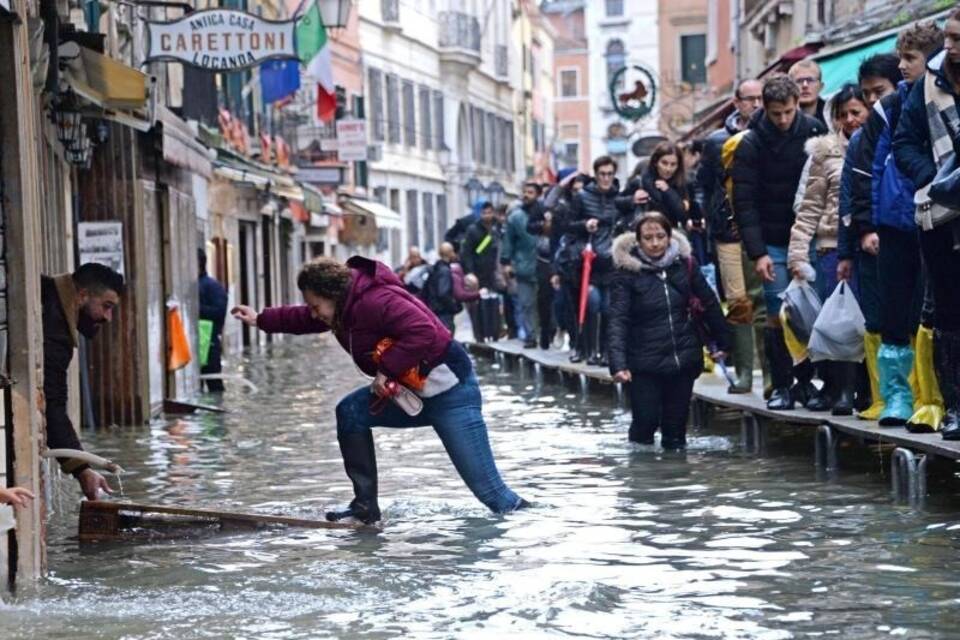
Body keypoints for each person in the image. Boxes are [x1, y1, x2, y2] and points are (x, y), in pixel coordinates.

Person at [232, 257, 528, 522]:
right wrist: (261, 319)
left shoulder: (376, 300)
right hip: (411, 394)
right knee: (350, 412)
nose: (314, 312)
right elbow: (304, 318)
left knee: (493, 496)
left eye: (316, 305)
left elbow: (423, 331)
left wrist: (386, 369)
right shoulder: (342, 310)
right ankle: (365, 507)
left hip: (452, 392)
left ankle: (540, 528)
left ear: (333, 295)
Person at [731, 73, 827, 410]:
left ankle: (809, 384)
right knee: (777, 314)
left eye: (788, 112)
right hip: (771, 241)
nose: (784, 120)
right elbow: (745, 203)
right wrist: (758, 253)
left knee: (811, 313)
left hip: (809, 235)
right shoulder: (751, 143)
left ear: (797, 104)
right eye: (776, 114)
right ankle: (782, 385)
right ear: (766, 110)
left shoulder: (814, 130)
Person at [893, 8, 960, 440]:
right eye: (949, 39)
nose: (950, 47)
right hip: (941, 218)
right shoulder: (925, 89)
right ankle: (955, 408)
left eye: (957, 40)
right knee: (951, 316)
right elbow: (903, 143)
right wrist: (932, 179)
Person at [608, 212, 730, 449]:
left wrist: (723, 343)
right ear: (638, 241)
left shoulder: (686, 265)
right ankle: (641, 479)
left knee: (676, 429)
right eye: (648, 238)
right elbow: (617, 319)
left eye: (660, 236)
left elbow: (709, 303)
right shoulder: (626, 274)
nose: (655, 243)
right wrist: (618, 363)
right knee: (645, 423)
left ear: (669, 237)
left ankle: (676, 480)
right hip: (644, 362)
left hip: (682, 358)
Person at [787, 83, 870, 414]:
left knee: (868, 322)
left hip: (869, 246)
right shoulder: (825, 153)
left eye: (856, 112)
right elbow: (808, 208)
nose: (850, 120)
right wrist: (796, 255)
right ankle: (841, 392)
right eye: (843, 114)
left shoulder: (880, 145)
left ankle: (866, 392)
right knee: (836, 323)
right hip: (830, 248)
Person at [842, 53, 906, 420]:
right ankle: (885, 396)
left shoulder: (907, 120)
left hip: (910, 229)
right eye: (866, 93)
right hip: (875, 235)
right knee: (878, 316)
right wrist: (863, 232)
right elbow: (856, 192)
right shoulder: (862, 139)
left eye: (877, 91)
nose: (870, 100)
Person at [698, 78, 764, 394]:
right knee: (738, 300)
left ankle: (773, 378)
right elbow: (703, 184)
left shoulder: (769, 137)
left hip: (763, 229)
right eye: (749, 99)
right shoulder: (714, 142)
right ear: (736, 102)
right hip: (727, 231)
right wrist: (709, 216)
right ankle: (745, 374)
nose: (755, 104)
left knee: (764, 300)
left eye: (759, 98)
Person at [41, 263, 124, 499]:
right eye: (106, 306)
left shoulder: (47, 292)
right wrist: (82, 470)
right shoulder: (54, 328)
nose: (108, 318)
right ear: (82, 295)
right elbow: (51, 405)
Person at [568, 156, 621, 366]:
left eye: (609, 174)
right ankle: (588, 350)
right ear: (596, 174)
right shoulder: (581, 197)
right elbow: (569, 225)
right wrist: (584, 224)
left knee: (609, 308)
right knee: (591, 305)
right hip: (588, 263)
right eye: (602, 174)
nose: (606, 178)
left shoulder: (620, 197)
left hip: (612, 263)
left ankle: (606, 353)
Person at [501, 183, 542, 348]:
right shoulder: (515, 217)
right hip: (523, 265)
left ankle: (546, 335)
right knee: (526, 303)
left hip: (544, 265)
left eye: (530, 192)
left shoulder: (545, 213)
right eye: (524, 192)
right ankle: (531, 336)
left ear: (537, 194)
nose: (526, 195)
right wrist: (506, 263)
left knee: (545, 303)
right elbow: (508, 242)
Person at [620, 142, 691, 231]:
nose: (668, 169)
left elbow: (683, 214)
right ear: (656, 162)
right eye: (664, 163)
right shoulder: (641, 181)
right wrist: (633, 199)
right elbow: (618, 202)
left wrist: (668, 191)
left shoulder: (682, 184)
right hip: (642, 232)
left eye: (673, 164)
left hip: (670, 233)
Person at [198, 248, 228, 392]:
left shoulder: (212, 286)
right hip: (196, 344)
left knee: (214, 385)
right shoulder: (193, 285)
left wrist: (195, 309)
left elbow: (219, 312)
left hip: (209, 344)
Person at [788, 59, 827, 127]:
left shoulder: (833, 115)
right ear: (789, 87)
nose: (805, 85)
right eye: (799, 81)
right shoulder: (783, 119)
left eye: (810, 80)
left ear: (821, 86)